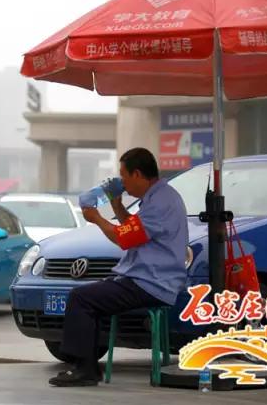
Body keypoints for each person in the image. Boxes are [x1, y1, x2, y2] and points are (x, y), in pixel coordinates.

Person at [49, 147, 188, 387]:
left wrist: (97, 219)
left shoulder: (160, 203)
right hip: (144, 278)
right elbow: (134, 229)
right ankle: (87, 365)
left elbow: (124, 237)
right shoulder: (158, 197)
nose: (121, 182)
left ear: (137, 174)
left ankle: (85, 369)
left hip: (151, 283)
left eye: (123, 176)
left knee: (80, 298)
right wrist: (116, 205)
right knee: (90, 296)